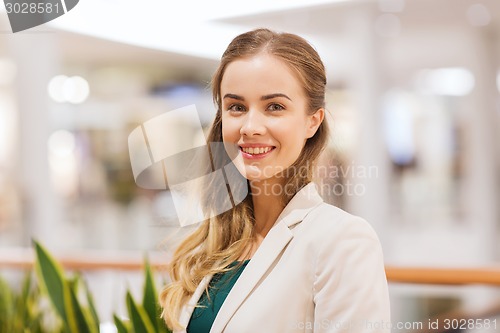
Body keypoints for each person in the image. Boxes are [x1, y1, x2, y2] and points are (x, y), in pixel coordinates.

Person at [159, 28, 390, 333]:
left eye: (275, 107)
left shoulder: (342, 240)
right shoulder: (216, 242)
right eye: (237, 107)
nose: (251, 127)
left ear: (312, 121)